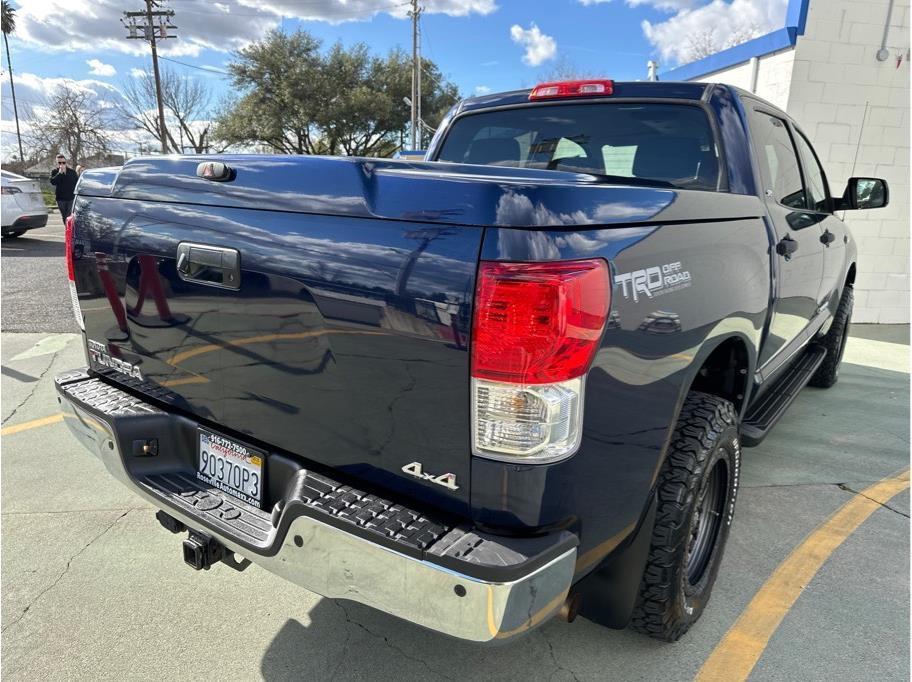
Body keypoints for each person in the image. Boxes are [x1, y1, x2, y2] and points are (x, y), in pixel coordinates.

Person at [49, 154, 78, 220]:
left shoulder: (72, 172)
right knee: (64, 216)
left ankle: (69, 229)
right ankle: (67, 229)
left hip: (71, 198)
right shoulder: (54, 172)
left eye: (63, 162)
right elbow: (53, 182)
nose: (61, 164)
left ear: (66, 162)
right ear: (57, 163)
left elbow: (76, 183)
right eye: (59, 162)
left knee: (69, 215)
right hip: (60, 199)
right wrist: (59, 173)